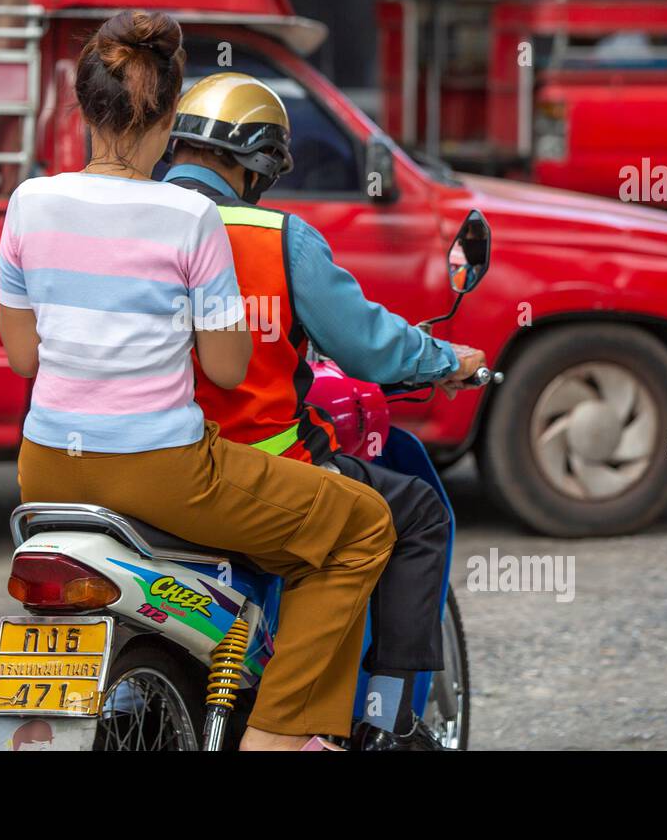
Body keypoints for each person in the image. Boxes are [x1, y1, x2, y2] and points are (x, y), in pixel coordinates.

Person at [0, 11, 396, 751]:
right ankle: (279, 737)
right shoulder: (188, 217)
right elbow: (227, 369)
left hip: (44, 467)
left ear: (83, 105)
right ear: (170, 116)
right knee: (361, 524)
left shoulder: (29, 202)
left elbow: (24, 358)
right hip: (163, 471)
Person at [162, 72, 487, 750]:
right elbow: (369, 343)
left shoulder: (126, 217)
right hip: (255, 474)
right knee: (415, 515)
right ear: (254, 163)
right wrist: (443, 360)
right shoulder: (277, 237)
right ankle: (386, 721)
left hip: (130, 463)